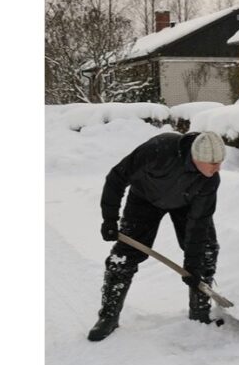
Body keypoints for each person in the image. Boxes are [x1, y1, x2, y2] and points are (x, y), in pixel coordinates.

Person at [87, 131, 226, 342]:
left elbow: (199, 224)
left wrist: (192, 266)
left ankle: (199, 310)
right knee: (124, 257)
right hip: (145, 199)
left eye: (220, 162)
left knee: (206, 250)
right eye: (212, 163)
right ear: (196, 157)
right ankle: (108, 316)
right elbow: (117, 177)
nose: (217, 168)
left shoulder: (209, 180)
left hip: (186, 205)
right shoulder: (157, 151)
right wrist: (109, 219)